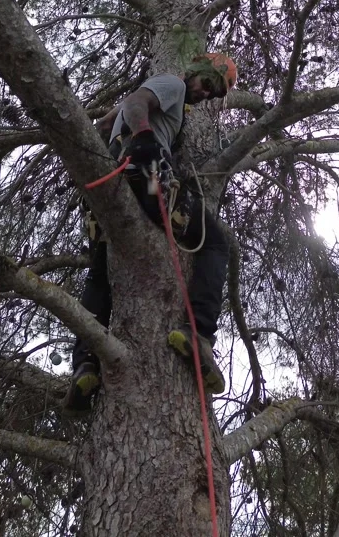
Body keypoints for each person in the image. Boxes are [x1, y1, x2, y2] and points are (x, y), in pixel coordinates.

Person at [63, 53, 237, 417]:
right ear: (195, 72)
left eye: (214, 93)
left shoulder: (170, 104)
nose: (206, 94)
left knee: (101, 273)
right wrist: (145, 138)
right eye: (208, 84)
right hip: (148, 179)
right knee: (217, 242)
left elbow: (105, 123)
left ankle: (85, 364)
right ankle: (199, 333)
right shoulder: (171, 84)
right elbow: (136, 102)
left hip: (110, 193)